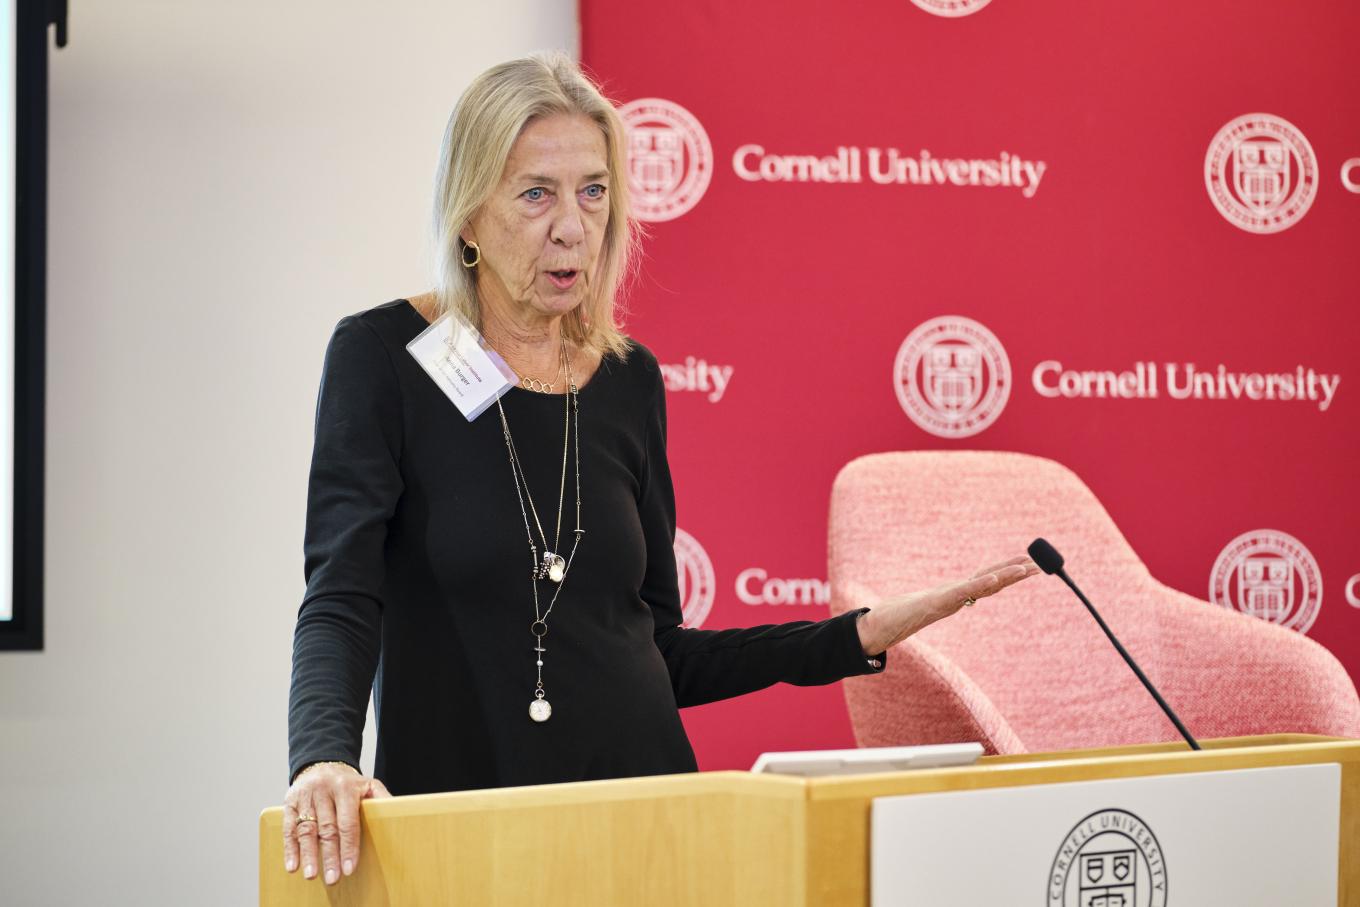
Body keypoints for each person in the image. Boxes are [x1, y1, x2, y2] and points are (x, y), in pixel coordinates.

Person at [282, 51, 1038, 887]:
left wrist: (849, 636)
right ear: (467, 215)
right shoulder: (385, 358)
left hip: (648, 826)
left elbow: (655, 648)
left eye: (594, 191)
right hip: (467, 833)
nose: (572, 225)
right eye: (536, 193)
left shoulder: (627, 378)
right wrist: (322, 756)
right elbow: (342, 594)